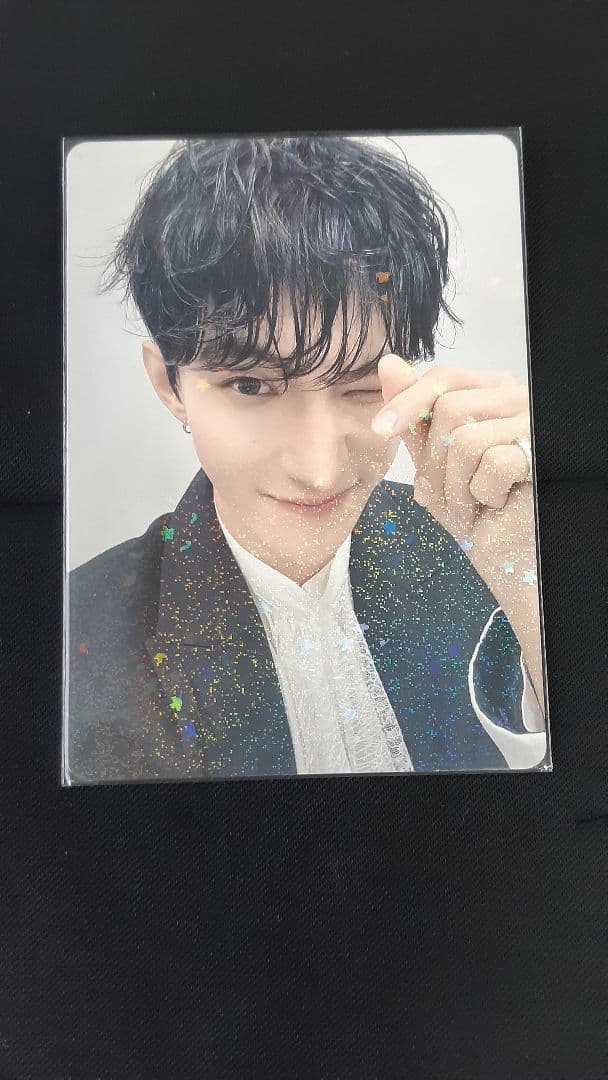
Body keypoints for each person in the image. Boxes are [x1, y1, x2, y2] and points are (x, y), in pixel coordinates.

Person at [65, 135, 548, 783]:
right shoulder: (75, 641)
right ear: (168, 383)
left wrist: (538, 578)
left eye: (364, 386)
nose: (321, 470)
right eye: (250, 385)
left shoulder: (480, 545)